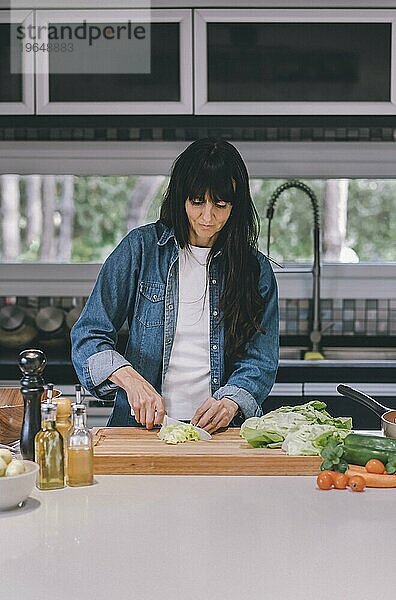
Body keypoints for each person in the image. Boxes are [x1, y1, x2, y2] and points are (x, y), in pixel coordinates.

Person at [71, 138, 279, 434]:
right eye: (197, 202)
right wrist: (129, 378)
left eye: (221, 204)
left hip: (220, 433)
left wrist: (231, 401)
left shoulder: (255, 270)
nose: (208, 217)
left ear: (237, 204)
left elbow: (260, 360)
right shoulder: (140, 249)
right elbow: (88, 335)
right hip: (140, 429)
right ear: (181, 197)